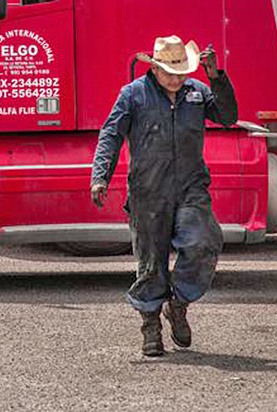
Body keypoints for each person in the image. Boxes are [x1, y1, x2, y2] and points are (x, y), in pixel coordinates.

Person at [89, 36, 237, 357]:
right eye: (170, 72)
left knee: (203, 241)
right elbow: (111, 135)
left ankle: (178, 303)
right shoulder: (133, 95)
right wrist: (100, 176)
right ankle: (150, 327)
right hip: (149, 193)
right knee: (151, 264)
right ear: (154, 68)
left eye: (181, 72)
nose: (176, 78)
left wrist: (217, 78)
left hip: (190, 189)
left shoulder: (197, 92)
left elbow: (228, 117)